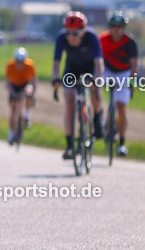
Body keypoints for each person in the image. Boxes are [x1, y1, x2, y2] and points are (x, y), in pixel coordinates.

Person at [51, 10, 104, 160]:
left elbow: (99, 62)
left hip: (90, 67)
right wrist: (56, 79)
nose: (71, 37)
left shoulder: (91, 37)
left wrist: (96, 78)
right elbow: (56, 62)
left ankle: (98, 119)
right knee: (69, 100)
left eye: (75, 33)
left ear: (83, 31)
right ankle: (70, 145)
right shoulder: (61, 38)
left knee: (94, 89)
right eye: (68, 32)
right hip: (72, 68)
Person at [99, 12, 138, 156]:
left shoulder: (130, 42)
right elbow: (96, 59)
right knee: (93, 88)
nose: (116, 29)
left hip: (123, 73)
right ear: (109, 27)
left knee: (121, 107)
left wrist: (131, 81)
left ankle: (121, 143)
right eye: (113, 26)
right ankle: (98, 119)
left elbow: (135, 64)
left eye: (120, 27)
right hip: (107, 70)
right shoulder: (102, 39)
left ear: (124, 28)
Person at [5, 47, 37, 144]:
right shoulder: (10, 65)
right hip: (14, 86)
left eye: (22, 61)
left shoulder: (29, 65)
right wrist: (11, 92)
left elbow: (34, 80)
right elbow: (8, 82)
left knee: (28, 91)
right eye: (18, 61)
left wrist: (32, 92)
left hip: (25, 84)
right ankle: (11, 134)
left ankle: (27, 116)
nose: (20, 64)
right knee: (13, 111)